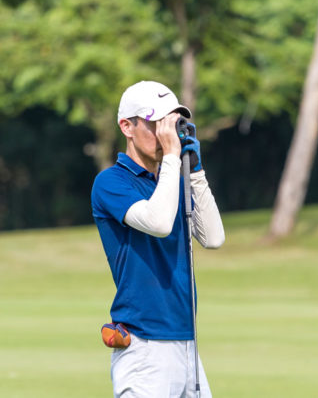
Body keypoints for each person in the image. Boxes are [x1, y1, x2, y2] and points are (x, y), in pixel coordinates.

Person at [91, 80, 225, 397]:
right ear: (127, 126)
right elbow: (159, 222)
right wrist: (173, 160)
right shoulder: (111, 182)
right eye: (155, 124)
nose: (165, 135)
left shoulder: (173, 182)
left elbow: (214, 238)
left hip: (187, 341)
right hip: (144, 346)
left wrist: (195, 173)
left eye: (171, 124)